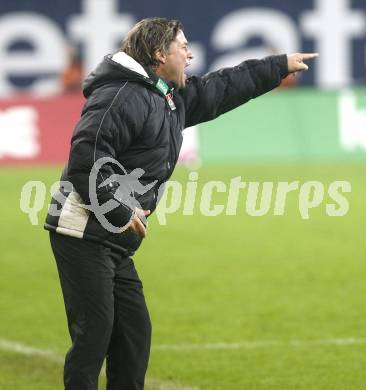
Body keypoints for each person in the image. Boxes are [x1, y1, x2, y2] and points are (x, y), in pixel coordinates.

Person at [44, 17, 318, 390]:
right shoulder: (122, 95)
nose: (190, 54)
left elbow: (221, 89)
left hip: (112, 237)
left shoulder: (163, 96)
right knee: (94, 338)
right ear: (159, 54)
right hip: (82, 232)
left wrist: (276, 66)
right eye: (182, 46)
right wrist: (120, 209)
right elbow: (85, 160)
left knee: (132, 338)